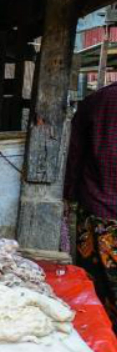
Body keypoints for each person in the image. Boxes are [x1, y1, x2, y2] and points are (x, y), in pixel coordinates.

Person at [64, 81, 117, 323]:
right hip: (98, 207)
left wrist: (68, 194)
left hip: (96, 210)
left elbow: (74, 156)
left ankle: (102, 341)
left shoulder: (95, 102)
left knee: (94, 288)